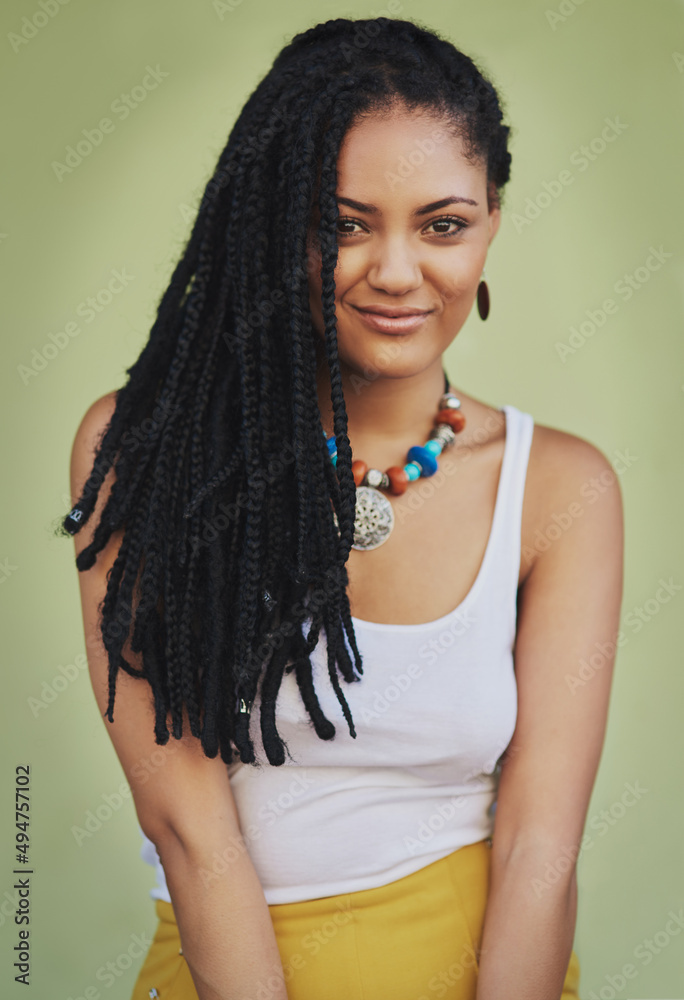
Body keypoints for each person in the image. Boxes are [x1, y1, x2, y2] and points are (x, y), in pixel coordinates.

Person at [64, 16, 624, 1000]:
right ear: (273, 223)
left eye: (442, 224)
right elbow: (191, 830)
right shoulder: (149, 450)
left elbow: (542, 847)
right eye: (344, 223)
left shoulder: (563, 490)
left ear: (492, 221)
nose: (398, 272)